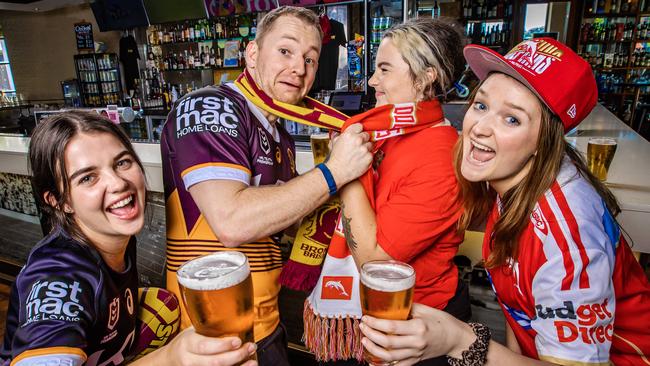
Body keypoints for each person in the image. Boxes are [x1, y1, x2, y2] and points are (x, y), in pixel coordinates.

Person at [359, 38, 650, 365]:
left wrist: (459, 339)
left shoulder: (566, 235)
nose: (479, 128)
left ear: (544, 141)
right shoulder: (511, 184)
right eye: (481, 105)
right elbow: (521, 316)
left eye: (512, 119)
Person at [160, 6, 373, 365]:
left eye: (310, 58)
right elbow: (233, 222)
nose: (299, 68)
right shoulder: (212, 105)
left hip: (264, 325)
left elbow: (278, 220)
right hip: (210, 337)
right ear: (253, 54)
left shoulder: (280, 132)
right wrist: (333, 172)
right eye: (285, 51)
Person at [0, 111, 257, 366]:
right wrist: (171, 359)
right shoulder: (58, 276)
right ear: (60, 201)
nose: (117, 183)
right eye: (88, 178)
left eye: (122, 162)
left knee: (164, 306)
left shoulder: (115, 237)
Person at [302, 18, 470, 365]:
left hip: (415, 328)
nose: (372, 81)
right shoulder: (391, 132)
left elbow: (375, 264)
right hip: (372, 317)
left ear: (426, 77)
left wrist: (343, 171)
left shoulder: (441, 157)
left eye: (385, 69)